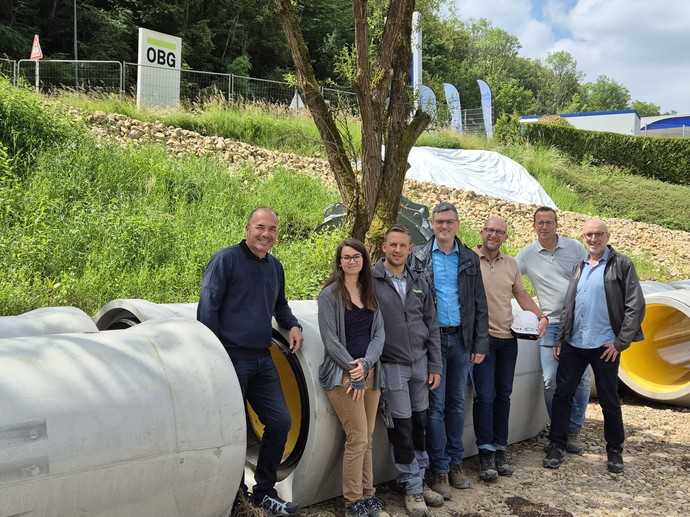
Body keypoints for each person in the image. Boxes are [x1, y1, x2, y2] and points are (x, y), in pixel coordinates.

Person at [197, 207, 304, 516]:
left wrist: (293, 324)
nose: (265, 234)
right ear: (247, 228)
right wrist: (214, 358)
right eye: (260, 227)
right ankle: (234, 495)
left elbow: (280, 306)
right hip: (230, 358)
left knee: (281, 421)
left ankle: (264, 492)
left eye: (271, 229)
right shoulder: (226, 260)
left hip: (262, 358)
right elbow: (207, 310)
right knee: (233, 430)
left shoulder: (275, 268)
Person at [544, 219, 645, 473]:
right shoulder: (579, 266)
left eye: (598, 234)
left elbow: (636, 305)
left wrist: (621, 342)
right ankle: (556, 444)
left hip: (604, 346)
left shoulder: (621, 264)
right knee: (562, 394)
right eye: (588, 235)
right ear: (583, 238)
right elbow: (570, 305)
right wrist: (560, 338)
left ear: (607, 236)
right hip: (574, 343)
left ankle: (614, 451)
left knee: (609, 400)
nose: (593, 239)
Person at [409, 202, 489, 498]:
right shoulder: (418, 256)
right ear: (431, 224)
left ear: (457, 224)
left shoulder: (468, 258)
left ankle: (456, 464)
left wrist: (481, 342)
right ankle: (439, 468)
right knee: (435, 407)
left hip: (462, 341)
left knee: (457, 403)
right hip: (433, 343)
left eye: (449, 222)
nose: (444, 227)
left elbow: (480, 302)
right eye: (439, 222)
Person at [372, 225, 443, 517]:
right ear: (384, 248)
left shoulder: (419, 280)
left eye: (403, 245)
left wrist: (435, 364)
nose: (398, 250)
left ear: (410, 249)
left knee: (420, 424)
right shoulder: (372, 281)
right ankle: (412, 490)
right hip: (392, 365)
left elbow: (432, 324)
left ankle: (419, 479)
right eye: (393, 245)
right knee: (400, 428)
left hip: (420, 363)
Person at [472, 216, 548, 482]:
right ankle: (485, 454)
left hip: (507, 339)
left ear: (505, 237)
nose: (493, 235)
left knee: (504, 395)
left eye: (499, 232)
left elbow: (521, 294)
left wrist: (541, 316)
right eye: (490, 230)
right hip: (481, 340)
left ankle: (500, 449)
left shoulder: (511, 264)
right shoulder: (469, 260)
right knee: (485, 396)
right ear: (482, 232)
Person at [317, 238, 387, 517]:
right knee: (357, 436)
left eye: (356, 257)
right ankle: (352, 502)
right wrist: (352, 369)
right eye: (346, 257)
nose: (351, 261)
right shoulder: (329, 295)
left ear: (363, 261)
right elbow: (330, 339)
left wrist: (366, 364)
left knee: (368, 437)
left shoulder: (369, 291)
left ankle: (369, 495)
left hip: (370, 372)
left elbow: (380, 333)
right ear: (339, 262)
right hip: (341, 375)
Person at [516, 206, 592, 454]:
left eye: (549, 222)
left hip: (578, 321)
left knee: (581, 380)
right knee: (550, 380)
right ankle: (556, 425)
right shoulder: (527, 254)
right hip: (549, 323)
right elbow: (510, 279)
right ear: (534, 225)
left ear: (556, 224)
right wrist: (535, 312)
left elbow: (589, 279)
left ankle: (572, 430)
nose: (545, 227)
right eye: (540, 222)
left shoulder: (575, 249)